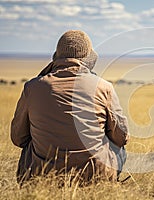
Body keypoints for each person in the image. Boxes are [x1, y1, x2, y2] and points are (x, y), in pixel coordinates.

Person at [11, 30, 129, 185]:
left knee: (29, 147)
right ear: (87, 58)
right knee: (119, 150)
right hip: (94, 176)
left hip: (42, 176)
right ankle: (107, 186)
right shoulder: (104, 87)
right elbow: (122, 137)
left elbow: (18, 138)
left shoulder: (32, 87)